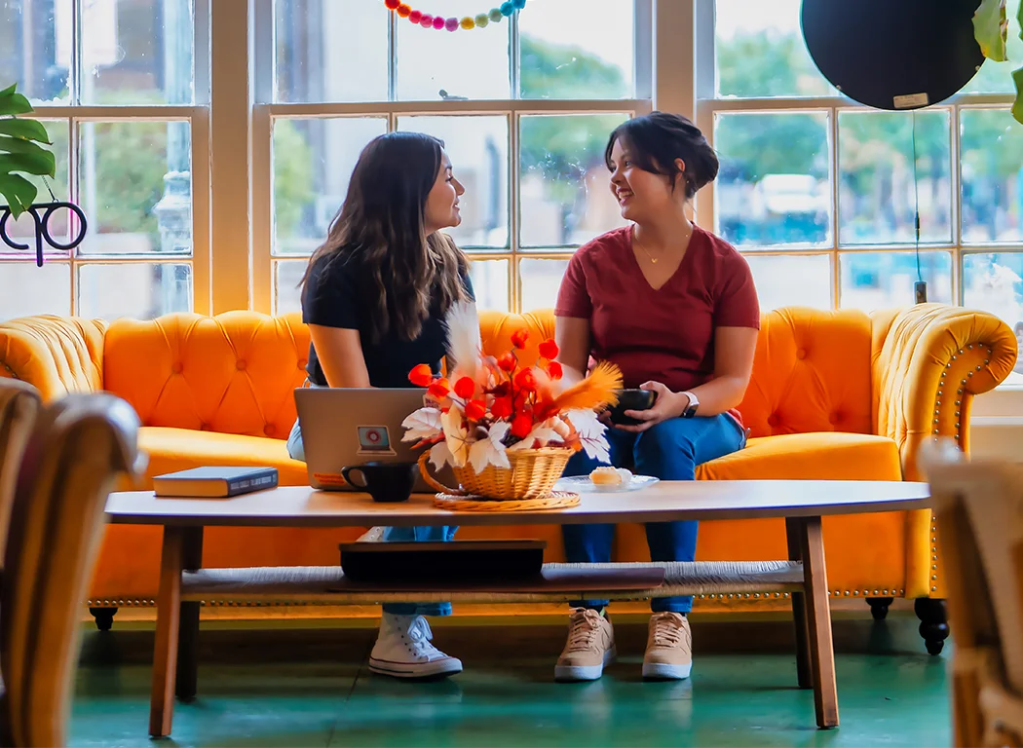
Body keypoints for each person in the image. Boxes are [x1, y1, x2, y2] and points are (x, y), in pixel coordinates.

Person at [552, 112, 760, 682]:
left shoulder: (726, 267)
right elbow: (569, 365)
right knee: (581, 450)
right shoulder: (591, 261)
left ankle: (673, 614)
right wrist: (583, 404)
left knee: (666, 442)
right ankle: (588, 616)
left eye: (628, 166)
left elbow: (732, 381)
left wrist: (680, 402)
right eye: (612, 166)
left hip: (701, 415)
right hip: (610, 412)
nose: (615, 178)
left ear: (675, 171)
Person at [286, 132, 471, 680]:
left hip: (425, 427)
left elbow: (467, 378)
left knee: (453, 466)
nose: (458, 188)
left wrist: (470, 430)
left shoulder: (453, 265)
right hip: (335, 431)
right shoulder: (336, 271)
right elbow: (353, 403)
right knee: (432, 473)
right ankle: (398, 631)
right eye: (446, 177)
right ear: (410, 190)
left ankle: (390, 558)